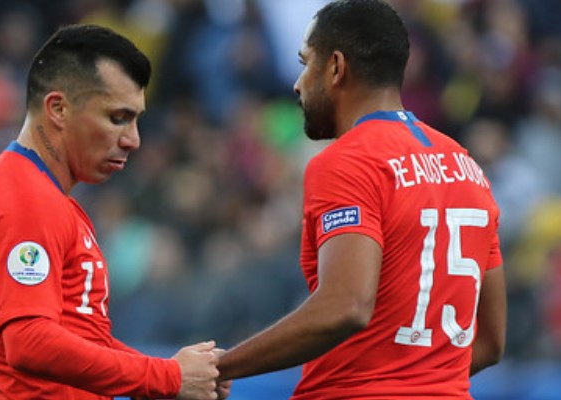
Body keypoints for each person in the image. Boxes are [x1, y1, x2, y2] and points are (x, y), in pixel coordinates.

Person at [217, 0, 507, 398]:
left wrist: (221, 367)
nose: (298, 84)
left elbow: (346, 306)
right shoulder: (467, 167)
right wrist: (421, 380)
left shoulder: (348, 161)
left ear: (336, 67)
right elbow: (491, 340)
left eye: (306, 63)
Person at [0, 24, 227, 400]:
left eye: (136, 120)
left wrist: (172, 375)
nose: (133, 140)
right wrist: (165, 376)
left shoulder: (48, 197)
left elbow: (81, 336)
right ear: (58, 108)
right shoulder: (22, 196)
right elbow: (29, 341)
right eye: (118, 118)